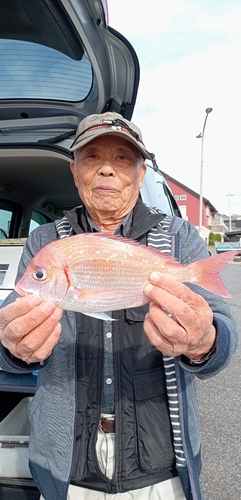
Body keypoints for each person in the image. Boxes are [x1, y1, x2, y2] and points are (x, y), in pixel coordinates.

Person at [0, 112, 238, 500]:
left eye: (123, 158)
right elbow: (11, 328)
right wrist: (13, 348)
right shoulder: (46, 242)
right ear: (75, 173)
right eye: (92, 158)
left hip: (163, 467)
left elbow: (224, 337)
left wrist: (205, 342)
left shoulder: (179, 238)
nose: (107, 170)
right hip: (66, 465)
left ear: (141, 174)